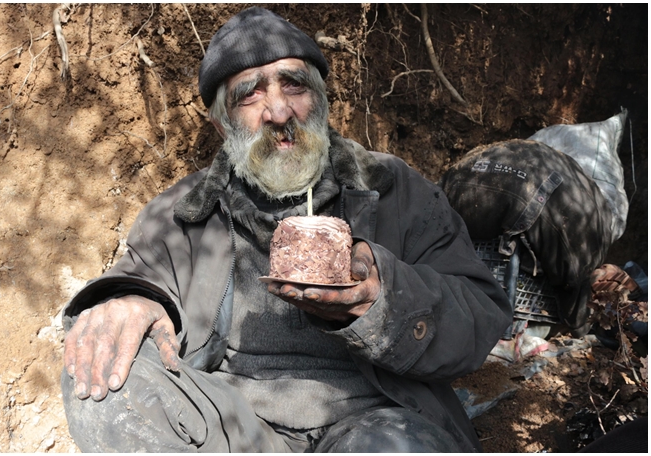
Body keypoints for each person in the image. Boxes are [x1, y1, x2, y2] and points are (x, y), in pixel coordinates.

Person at [61, 7, 511, 453]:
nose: (279, 111)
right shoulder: (184, 213)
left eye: (293, 84)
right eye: (250, 95)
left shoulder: (395, 191)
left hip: (376, 417)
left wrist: (382, 298)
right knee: (100, 376)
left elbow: (481, 316)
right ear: (221, 123)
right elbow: (145, 278)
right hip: (233, 426)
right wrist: (132, 300)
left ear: (321, 99)